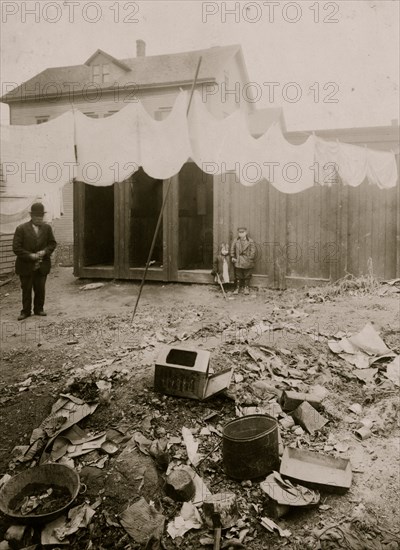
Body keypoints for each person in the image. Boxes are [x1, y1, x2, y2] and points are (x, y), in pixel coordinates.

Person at [13, 202, 57, 320]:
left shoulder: (47, 228)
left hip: (42, 265)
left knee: (40, 288)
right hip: (25, 265)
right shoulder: (21, 229)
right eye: (36, 217)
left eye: (41, 217)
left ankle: (39, 309)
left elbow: (52, 244)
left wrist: (45, 252)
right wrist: (30, 256)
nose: (39, 219)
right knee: (26, 289)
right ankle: (25, 311)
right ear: (31, 216)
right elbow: (16, 248)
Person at [230, 227, 256, 295]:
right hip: (238, 260)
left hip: (247, 260)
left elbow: (253, 251)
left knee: (247, 274)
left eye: (242, 232)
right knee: (238, 274)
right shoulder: (235, 240)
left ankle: (246, 287)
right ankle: (237, 288)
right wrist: (233, 256)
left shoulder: (250, 241)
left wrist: (250, 258)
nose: (241, 234)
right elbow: (232, 249)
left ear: (246, 233)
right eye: (239, 232)